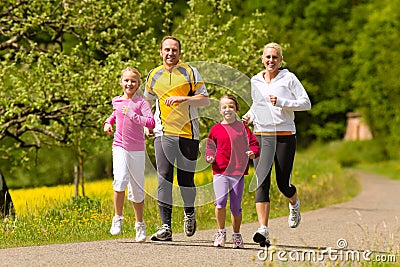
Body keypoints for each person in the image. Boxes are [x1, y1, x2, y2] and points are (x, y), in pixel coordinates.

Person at [242, 42, 311, 247]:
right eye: (267, 57)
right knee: (261, 181)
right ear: (262, 59)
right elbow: (257, 105)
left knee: (283, 183)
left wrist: (282, 102)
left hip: (284, 135)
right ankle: (263, 229)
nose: (271, 60)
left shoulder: (288, 78)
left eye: (275, 57)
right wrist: (249, 116)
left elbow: (306, 103)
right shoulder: (256, 80)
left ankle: (294, 202)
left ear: (280, 60)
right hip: (262, 134)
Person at [144, 36, 210, 241]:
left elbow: (205, 100)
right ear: (160, 52)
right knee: (164, 177)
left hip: (188, 134)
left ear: (179, 53)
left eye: (174, 50)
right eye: (167, 50)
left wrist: (184, 98)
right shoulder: (153, 75)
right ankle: (166, 227)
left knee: (185, 180)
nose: (170, 53)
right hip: (163, 133)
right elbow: (146, 102)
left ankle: (189, 213)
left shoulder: (189, 72)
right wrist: (147, 123)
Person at [103, 67, 155, 242]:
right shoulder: (117, 101)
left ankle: (140, 224)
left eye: (133, 81)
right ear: (121, 82)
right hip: (119, 146)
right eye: (126, 80)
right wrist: (108, 123)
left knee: (137, 189)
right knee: (120, 180)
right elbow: (115, 114)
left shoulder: (141, 104)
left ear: (138, 84)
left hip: (137, 149)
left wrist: (133, 115)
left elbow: (151, 122)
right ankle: (117, 218)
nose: (129, 83)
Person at [205, 94, 259, 248]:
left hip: (237, 172)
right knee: (220, 203)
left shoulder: (243, 128)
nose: (228, 109)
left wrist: (253, 152)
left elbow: (254, 143)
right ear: (220, 110)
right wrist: (209, 156)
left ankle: (236, 235)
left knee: (236, 206)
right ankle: (221, 232)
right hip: (220, 171)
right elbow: (210, 146)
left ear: (236, 109)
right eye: (224, 107)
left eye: (231, 106)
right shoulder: (216, 129)